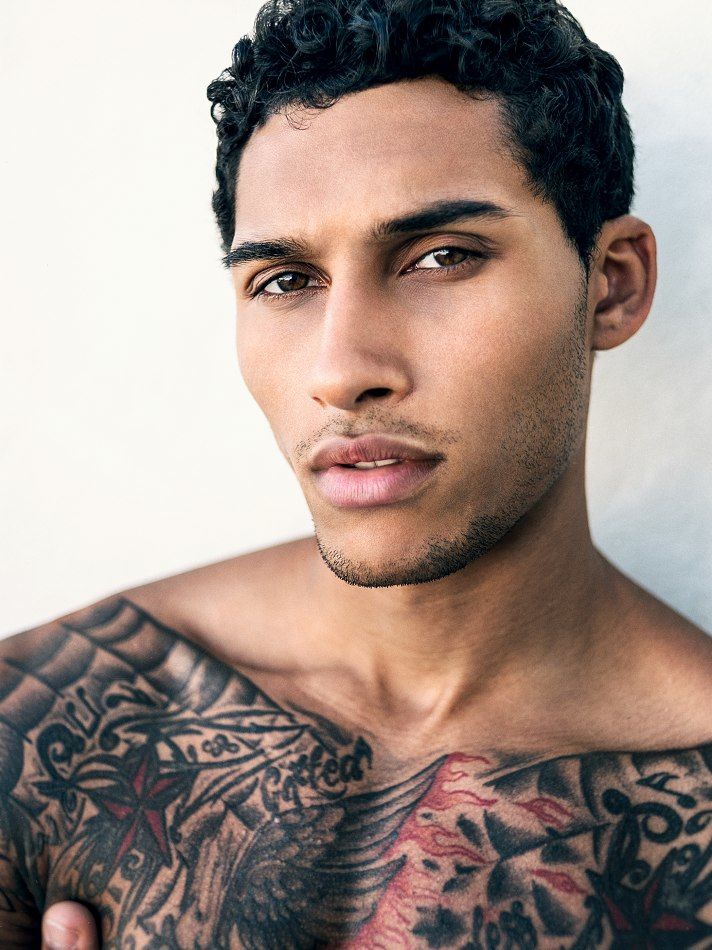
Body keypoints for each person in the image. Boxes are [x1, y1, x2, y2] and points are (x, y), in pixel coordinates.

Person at [4, 0, 712, 947]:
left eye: (441, 257)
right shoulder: (48, 726)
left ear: (612, 283)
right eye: (286, 281)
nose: (340, 372)